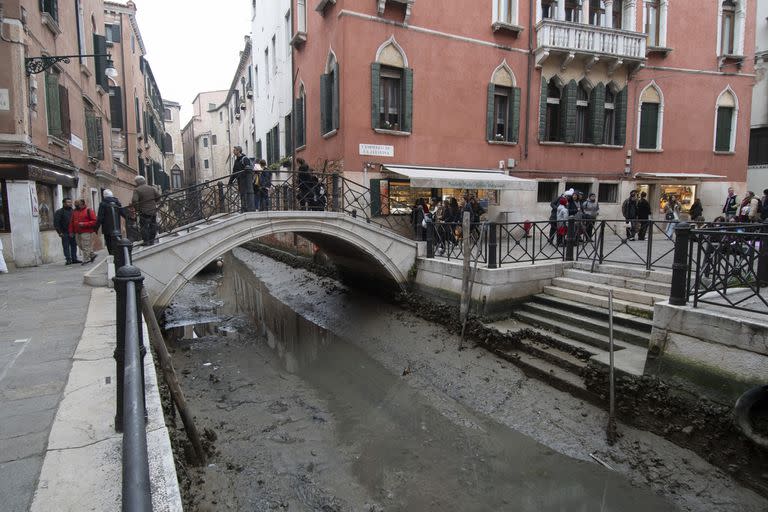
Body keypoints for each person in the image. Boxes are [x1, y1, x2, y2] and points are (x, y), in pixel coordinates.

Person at [132, 175, 161, 245]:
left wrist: (137, 209)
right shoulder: (152, 188)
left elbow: (134, 201)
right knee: (153, 225)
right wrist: (154, 202)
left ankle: (146, 241)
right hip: (153, 210)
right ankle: (152, 241)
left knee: (144, 227)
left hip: (143, 211)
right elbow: (159, 196)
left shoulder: (137, 190)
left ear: (137, 182)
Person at [69, 199, 98, 265]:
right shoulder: (74, 211)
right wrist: (71, 231)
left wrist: (84, 224)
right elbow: (71, 222)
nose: (75, 205)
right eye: (75, 204)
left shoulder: (88, 210)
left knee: (85, 246)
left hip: (86, 231)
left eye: (77, 204)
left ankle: (86, 260)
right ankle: (92, 254)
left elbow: (94, 221)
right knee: (80, 245)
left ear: (82, 204)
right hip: (77, 232)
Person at [96, 189, 125, 256]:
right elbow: (123, 213)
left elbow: (100, 217)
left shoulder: (103, 204)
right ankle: (118, 254)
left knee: (109, 242)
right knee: (117, 240)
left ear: (104, 196)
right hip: (117, 226)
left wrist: (96, 227)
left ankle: (112, 255)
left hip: (107, 228)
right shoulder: (117, 202)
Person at [54, 197, 80, 264]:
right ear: (64, 203)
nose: (70, 203)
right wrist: (59, 232)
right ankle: (68, 259)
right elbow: (56, 223)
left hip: (73, 232)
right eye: (68, 202)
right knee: (66, 246)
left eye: (70, 202)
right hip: (64, 232)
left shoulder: (74, 211)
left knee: (74, 245)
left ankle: (74, 258)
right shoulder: (59, 212)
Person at [229, 146, 254, 212]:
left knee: (246, 193)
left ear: (238, 151)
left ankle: (247, 208)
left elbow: (248, 169)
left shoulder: (245, 159)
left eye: (234, 150)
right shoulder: (236, 160)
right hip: (240, 180)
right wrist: (230, 181)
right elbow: (234, 171)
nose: (233, 151)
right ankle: (244, 208)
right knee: (242, 194)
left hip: (246, 180)